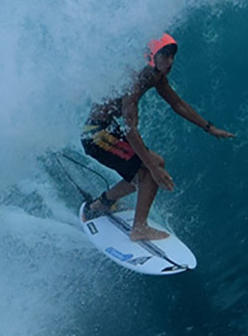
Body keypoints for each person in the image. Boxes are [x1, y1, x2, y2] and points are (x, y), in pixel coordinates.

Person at [81, 33, 234, 241]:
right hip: (96, 136)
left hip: (107, 130)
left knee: (155, 164)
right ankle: (139, 228)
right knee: (150, 171)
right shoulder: (133, 82)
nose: (171, 61)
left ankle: (102, 203)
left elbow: (177, 104)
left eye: (172, 56)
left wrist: (209, 128)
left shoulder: (155, 75)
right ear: (152, 57)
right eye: (166, 56)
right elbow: (130, 130)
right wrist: (152, 169)